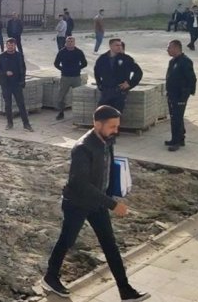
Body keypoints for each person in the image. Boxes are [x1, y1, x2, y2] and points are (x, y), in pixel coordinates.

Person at [42, 106, 150, 302]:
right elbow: (80, 183)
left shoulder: (107, 141)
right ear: (97, 124)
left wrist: (111, 193)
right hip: (77, 204)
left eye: (117, 126)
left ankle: (125, 291)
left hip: (97, 203)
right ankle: (50, 277)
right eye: (112, 126)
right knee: (67, 240)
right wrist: (112, 204)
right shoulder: (82, 148)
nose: (115, 130)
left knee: (110, 245)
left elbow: (107, 170)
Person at [0, 38, 33, 132]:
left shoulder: (19, 56)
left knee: (21, 104)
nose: (10, 46)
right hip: (6, 84)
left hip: (16, 84)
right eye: (8, 45)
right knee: (8, 105)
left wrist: (22, 81)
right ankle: (9, 123)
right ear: (6, 45)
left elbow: (23, 69)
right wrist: (4, 73)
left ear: (15, 45)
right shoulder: (1, 56)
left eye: (12, 45)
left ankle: (26, 124)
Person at [94, 39, 143, 112]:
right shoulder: (102, 58)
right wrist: (99, 84)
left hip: (120, 91)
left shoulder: (126, 59)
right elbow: (96, 72)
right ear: (110, 46)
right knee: (101, 113)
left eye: (120, 45)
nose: (119, 47)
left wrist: (130, 84)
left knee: (116, 114)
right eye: (117, 45)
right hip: (106, 91)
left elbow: (138, 72)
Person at [165, 40, 197, 152]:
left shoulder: (185, 62)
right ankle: (179, 138)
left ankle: (176, 141)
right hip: (172, 94)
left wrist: (185, 95)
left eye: (169, 48)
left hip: (180, 95)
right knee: (174, 116)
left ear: (176, 48)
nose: (167, 50)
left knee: (177, 118)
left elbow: (191, 79)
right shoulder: (172, 61)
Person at [54, 37, 88, 120]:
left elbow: (84, 63)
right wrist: (62, 69)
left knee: (78, 95)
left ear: (74, 42)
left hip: (76, 77)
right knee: (61, 96)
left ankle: (78, 113)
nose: (70, 43)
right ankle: (61, 112)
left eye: (71, 41)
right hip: (65, 77)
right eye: (68, 41)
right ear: (65, 42)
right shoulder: (62, 52)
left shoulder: (79, 52)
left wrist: (78, 68)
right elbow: (56, 63)